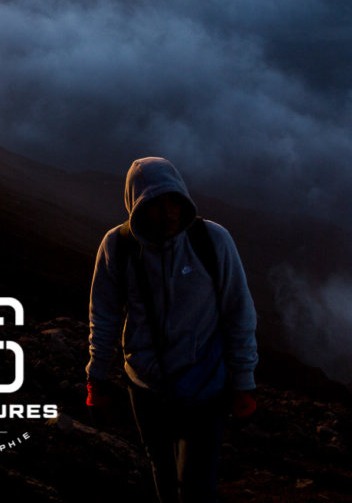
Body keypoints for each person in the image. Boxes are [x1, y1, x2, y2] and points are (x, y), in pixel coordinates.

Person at [86, 156, 258, 503]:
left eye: (172, 202)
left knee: (196, 487)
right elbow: (103, 316)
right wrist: (97, 376)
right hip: (145, 387)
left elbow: (239, 312)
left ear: (183, 200)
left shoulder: (212, 242)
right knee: (162, 474)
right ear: (137, 206)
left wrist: (244, 381)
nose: (166, 212)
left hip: (204, 386)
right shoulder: (118, 247)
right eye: (154, 204)